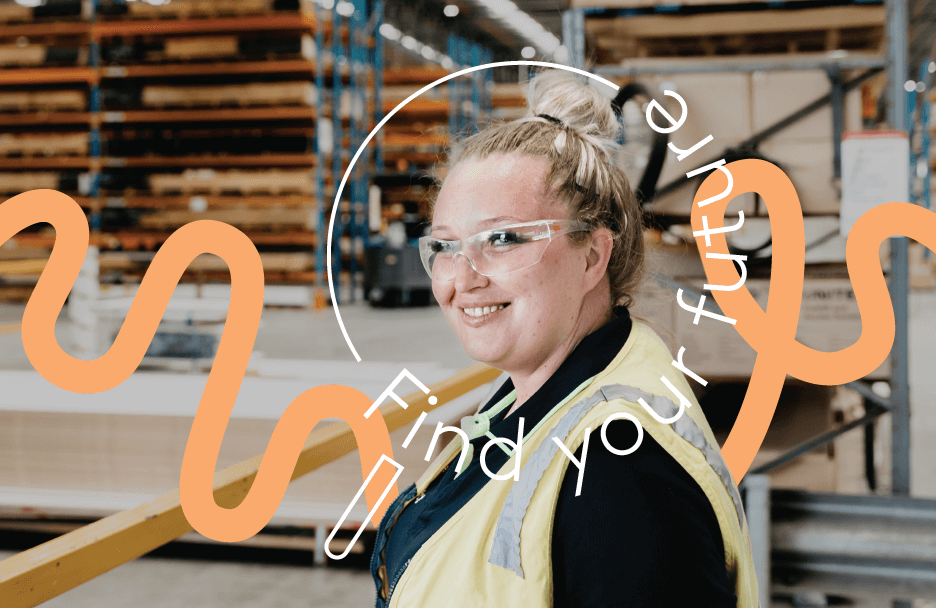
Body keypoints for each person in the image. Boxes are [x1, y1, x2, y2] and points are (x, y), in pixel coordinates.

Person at [369, 70, 758, 608]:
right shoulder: (536, 394)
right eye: (445, 246)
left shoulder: (618, 471)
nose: (462, 278)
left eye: (502, 239)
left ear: (593, 256)